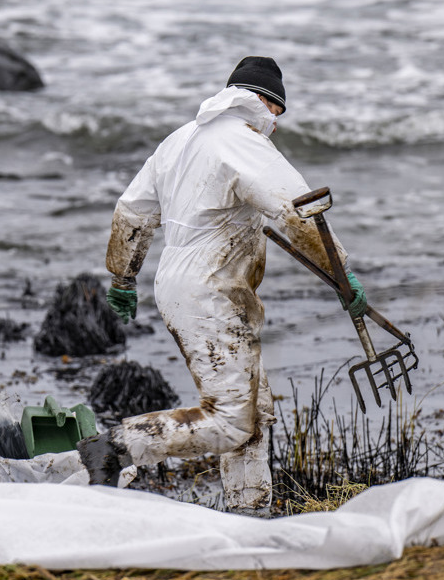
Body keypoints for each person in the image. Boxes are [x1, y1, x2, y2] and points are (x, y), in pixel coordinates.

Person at [78, 56, 368, 515]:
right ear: (265, 103)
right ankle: (116, 446)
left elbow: (133, 210)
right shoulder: (243, 143)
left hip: (184, 283)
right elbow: (296, 210)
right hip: (208, 290)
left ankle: (249, 512)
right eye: (277, 111)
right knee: (231, 421)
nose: (276, 123)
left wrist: (124, 275)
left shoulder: (180, 140)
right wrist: (341, 271)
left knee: (255, 411)